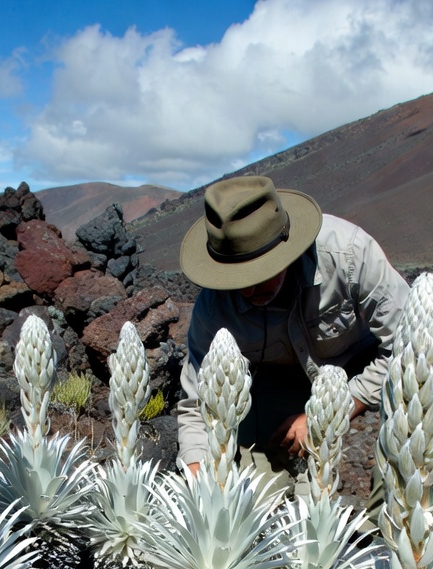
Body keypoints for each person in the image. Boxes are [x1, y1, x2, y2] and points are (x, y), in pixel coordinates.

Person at [176, 175, 411, 481]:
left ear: (288, 251)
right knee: (255, 484)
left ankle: (394, 522)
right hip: (284, 384)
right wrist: (196, 473)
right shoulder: (213, 307)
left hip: (360, 366)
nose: (249, 291)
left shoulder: (348, 253)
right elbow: (198, 400)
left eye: (262, 273)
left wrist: (327, 413)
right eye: (238, 281)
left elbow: (409, 347)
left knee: (425, 401)